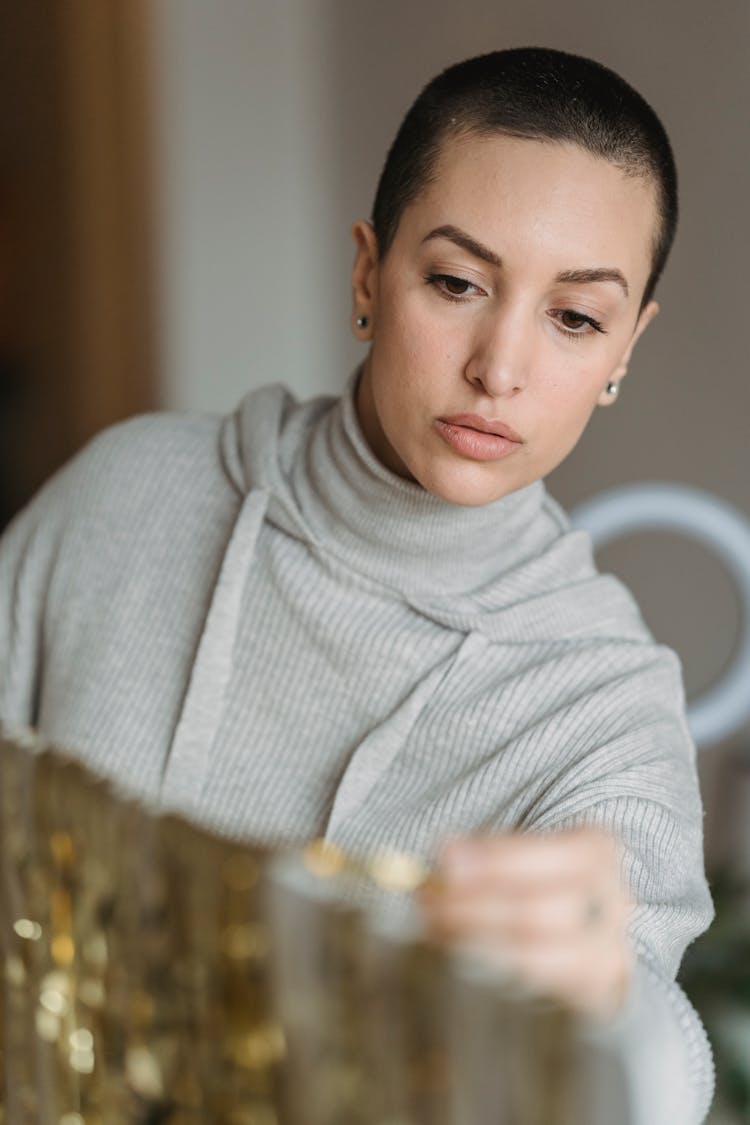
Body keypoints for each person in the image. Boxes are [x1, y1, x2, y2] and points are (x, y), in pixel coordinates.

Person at [0, 47, 713, 1121]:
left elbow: (655, 1066)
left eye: (574, 318)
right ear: (366, 275)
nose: (500, 366)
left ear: (625, 349)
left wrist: (607, 1005)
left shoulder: (601, 709)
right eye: (458, 283)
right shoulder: (128, 497)